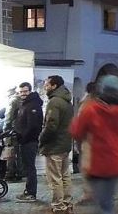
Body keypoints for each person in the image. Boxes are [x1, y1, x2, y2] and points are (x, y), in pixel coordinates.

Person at [70, 76, 118, 214]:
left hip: (96, 163)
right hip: (116, 162)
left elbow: (76, 131)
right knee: (106, 200)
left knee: (102, 204)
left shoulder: (91, 109)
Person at [39, 76, 74, 214]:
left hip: (54, 146)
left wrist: (41, 138)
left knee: (55, 179)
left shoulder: (54, 102)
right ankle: (67, 204)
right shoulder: (67, 101)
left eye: (47, 84)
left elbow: (51, 126)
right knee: (65, 176)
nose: (45, 87)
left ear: (54, 86)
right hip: (65, 144)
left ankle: (59, 206)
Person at [14, 82, 43, 202]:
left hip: (29, 141)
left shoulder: (33, 105)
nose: (23, 94)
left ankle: (31, 193)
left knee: (30, 167)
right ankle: (28, 191)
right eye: (21, 92)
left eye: (25, 91)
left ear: (30, 91)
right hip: (25, 140)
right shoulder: (25, 104)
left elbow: (33, 126)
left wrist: (24, 137)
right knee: (28, 167)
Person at [76, 81, 97, 205]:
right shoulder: (102, 103)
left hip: (89, 140)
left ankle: (89, 195)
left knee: (87, 168)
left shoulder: (85, 104)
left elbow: (80, 125)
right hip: (97, 140)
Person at [3, 86, 24, 181]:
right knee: (19, 153)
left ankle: (10, 173)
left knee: (10, 152)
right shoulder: (21, 100)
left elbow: (8, 116)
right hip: (20, 130)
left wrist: (5, 129)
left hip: (12, 129)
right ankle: (20, 172)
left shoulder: (12, 101)